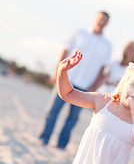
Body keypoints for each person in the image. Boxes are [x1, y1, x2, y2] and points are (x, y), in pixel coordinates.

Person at [39, 11, 112, 149]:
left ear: (107, 23)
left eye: (104, 20)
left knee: (72, 118)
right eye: (100, 18)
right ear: (95, 18)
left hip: (85, 86)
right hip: (66, 79)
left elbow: (103, 69)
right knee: (53, 111)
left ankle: (61, 144)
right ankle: (44, 138)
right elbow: (64, 51)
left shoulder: (107, 45)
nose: (101, 21)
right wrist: (57, 72)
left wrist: (93, 87)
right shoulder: (80, 32)